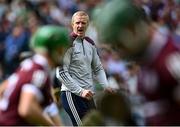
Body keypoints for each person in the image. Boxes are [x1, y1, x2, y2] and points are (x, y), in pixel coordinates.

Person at [94, 0, 180, 125]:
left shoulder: (171, 61)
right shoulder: (148, 63)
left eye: (119, 45)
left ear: (132, 29)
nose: (118, 53)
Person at [0, 25, 69, 126]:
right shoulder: (39, 71)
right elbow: (27, 109)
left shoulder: (29, 64)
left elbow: (2, 89)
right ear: (52, 49)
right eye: (60, 49)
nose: (62, 53)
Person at [56, 11, 110, 126]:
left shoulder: (90, 43)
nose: (80, 25)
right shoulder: (67, 43)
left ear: (87, 25)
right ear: (72, 24)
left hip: (88, 94)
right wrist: (80, 91)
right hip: (72, 95)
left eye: (83, 23)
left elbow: (98, 68)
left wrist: (106, 85)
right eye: (77, 23)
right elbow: (61, 73)